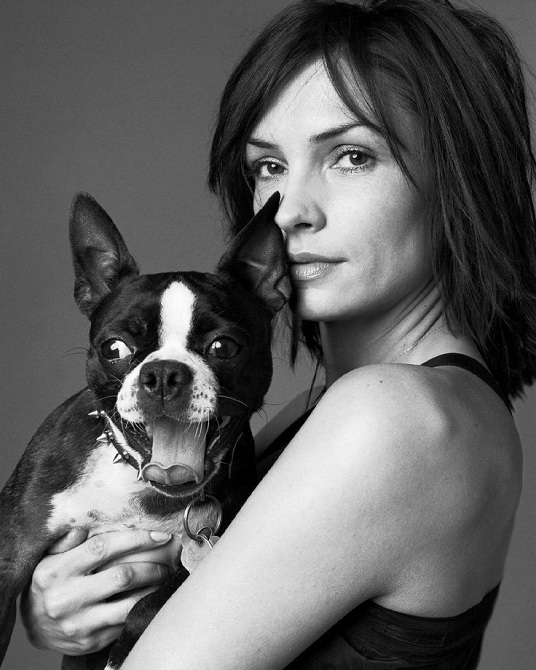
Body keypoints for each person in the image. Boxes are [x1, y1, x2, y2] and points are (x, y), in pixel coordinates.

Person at [21, 0, 536, 668]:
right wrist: (71, 604)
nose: (290, 210)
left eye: (352, 156)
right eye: (268, 166)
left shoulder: (393, 416)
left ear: (458, 178)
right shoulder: (336, 408)